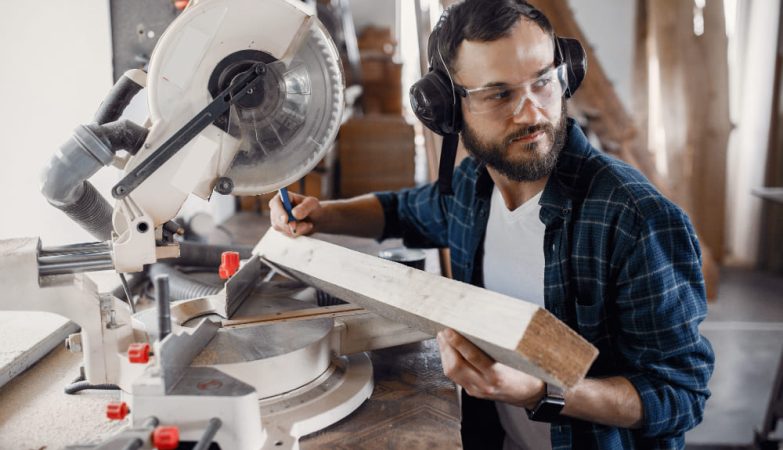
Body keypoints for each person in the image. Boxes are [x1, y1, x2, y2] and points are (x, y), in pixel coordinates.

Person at [269, 1, 714, 448]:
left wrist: (540, 391)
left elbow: (681, 395)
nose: (532, 113)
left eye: (543, 81)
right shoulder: (472, 188)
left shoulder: (635, 219)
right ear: (445, 108)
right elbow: (405, 209)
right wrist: (323, 214)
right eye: (499, 94)